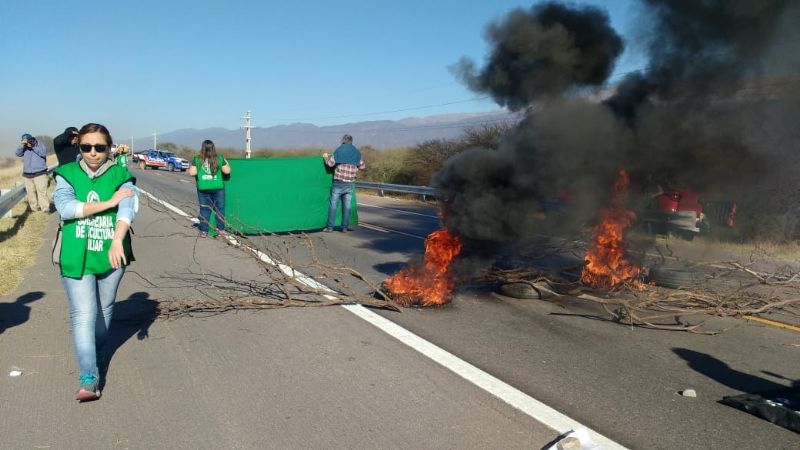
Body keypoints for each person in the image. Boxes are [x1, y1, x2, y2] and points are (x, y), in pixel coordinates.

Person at [53, 123, 138, 401]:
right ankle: (88, 377)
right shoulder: (66, 174)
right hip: (76, 254)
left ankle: (99, 351)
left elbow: (128, 207)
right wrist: (108, 202)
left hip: (112, 253)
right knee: (83, 316)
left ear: (109, 148)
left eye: (99, 147)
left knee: (105, 310)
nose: (92, 153)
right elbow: (66, 209)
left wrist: (117, 239)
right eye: (86, 147)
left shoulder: (120, 174)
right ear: (79, 148)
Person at [188, 139, 231, 237]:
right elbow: (227, 171)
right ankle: (221, 230)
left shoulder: (197, 158)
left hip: (203, 188)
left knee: (205, 209)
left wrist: (193, 166)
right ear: (213, 148)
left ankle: (204, 231)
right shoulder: (219, 158)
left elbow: (192, 173)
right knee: (219, 209)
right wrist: (226, 162)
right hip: (218, 187)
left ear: (202, 148)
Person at [323, 134, 365, 232]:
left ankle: (330, 227)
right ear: (351, 141)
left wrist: (325, 157)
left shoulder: (339, 150)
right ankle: (344, 228)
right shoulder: (357, 152)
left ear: (343, 141)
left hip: (338, 182)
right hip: (350, 184)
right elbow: (362, 166)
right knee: (347, 206)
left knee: (333, 205)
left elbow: (330, 164)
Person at [15, 133, 50, 212]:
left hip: (40, 172)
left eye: (26, 140)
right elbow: (17, 153)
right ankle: (34, 209)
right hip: (27, 174)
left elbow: (43, 153)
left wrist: (32, 146)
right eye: (23, 141)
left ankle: (45, 209)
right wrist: (22, 146)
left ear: (31, 139)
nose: (25, 142)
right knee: (30, 193)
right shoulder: (24, 147)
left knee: (41, 191)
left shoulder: (39, 144)